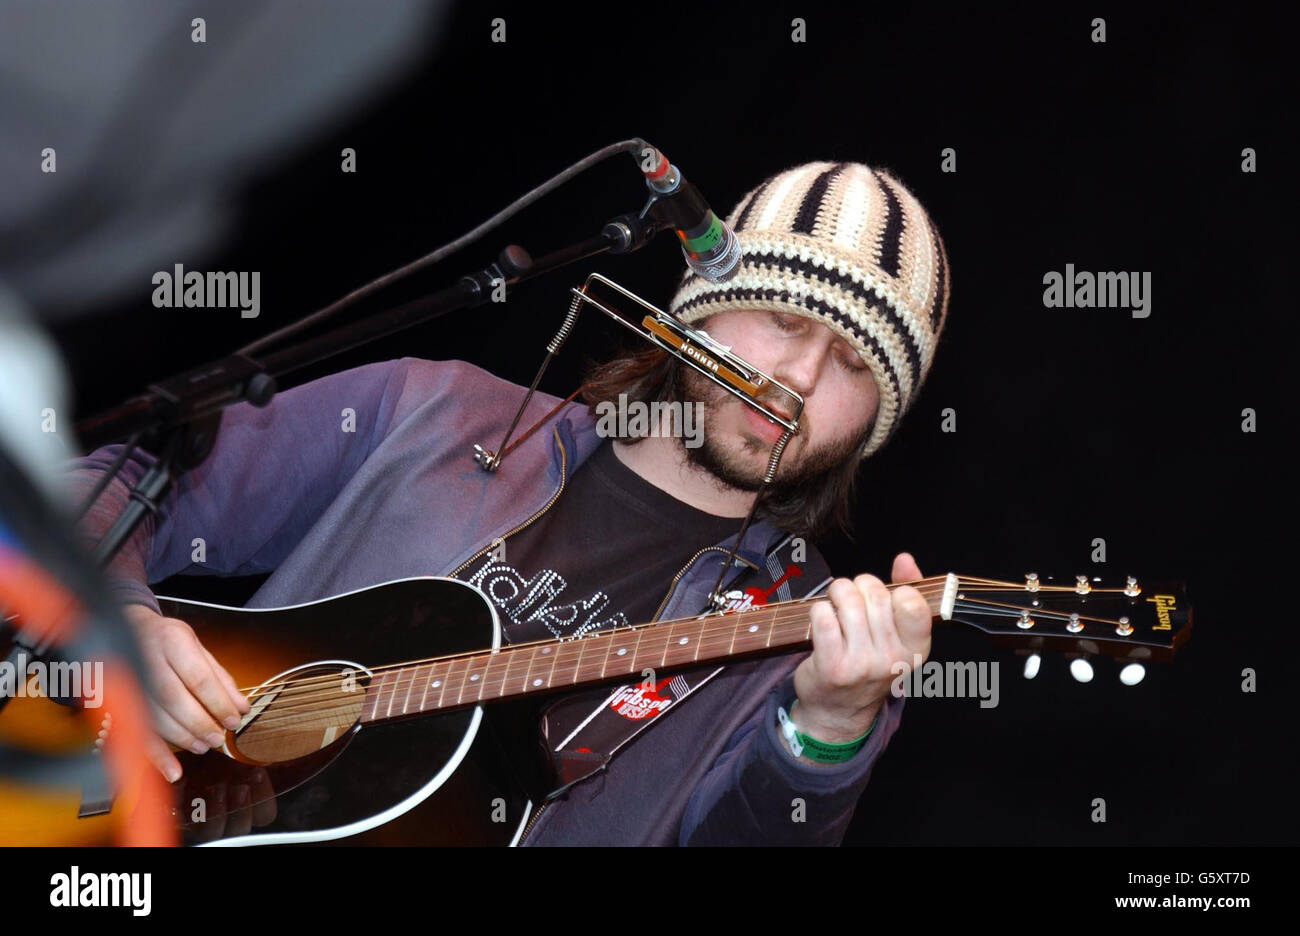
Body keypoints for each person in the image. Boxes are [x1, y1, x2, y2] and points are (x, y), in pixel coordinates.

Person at [64, 159, 951, 845]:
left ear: (873, 424)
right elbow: (91, 491)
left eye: (853, 365)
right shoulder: (433, 410)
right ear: (702, 309)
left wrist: (828, 728)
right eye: (786, 320)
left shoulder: (808, 634)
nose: (800, 376)